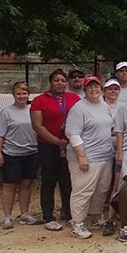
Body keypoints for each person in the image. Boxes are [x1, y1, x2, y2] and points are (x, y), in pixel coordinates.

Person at [65, 76, 115, 239]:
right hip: (87, 156)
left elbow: (109, 127)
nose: (94, 90)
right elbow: (73, 134)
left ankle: (95, 216)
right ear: (85, 90)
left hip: (105, 155)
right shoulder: (79, 108)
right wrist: (82, 156)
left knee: (102, 188)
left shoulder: (104, 105)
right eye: (90, 87)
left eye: (97, 86)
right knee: (83, 190)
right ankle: (77, 223)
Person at [30, 68, 81, 231]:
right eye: (56, 80)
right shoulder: (40, 100)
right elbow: (38, 126)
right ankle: (48, 216)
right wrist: (58, 142)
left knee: (67, 181)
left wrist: (68, 142)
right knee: (49, 181)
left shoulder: (74, 99)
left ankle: (67, 212)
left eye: (63, 80)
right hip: (48, 146)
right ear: (50, 82)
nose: (60, 83)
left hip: (70, 145)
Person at [0, 82, 40, 229]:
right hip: (11, 154)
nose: (22, 96)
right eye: (19, 93)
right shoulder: (6, 112)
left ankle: (24, 213)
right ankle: (7, 216)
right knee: (9, 185)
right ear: (13, 95)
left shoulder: (33, 110)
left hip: (31, 152)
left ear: (29, 94)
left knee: (26, 184)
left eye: (24, 93)